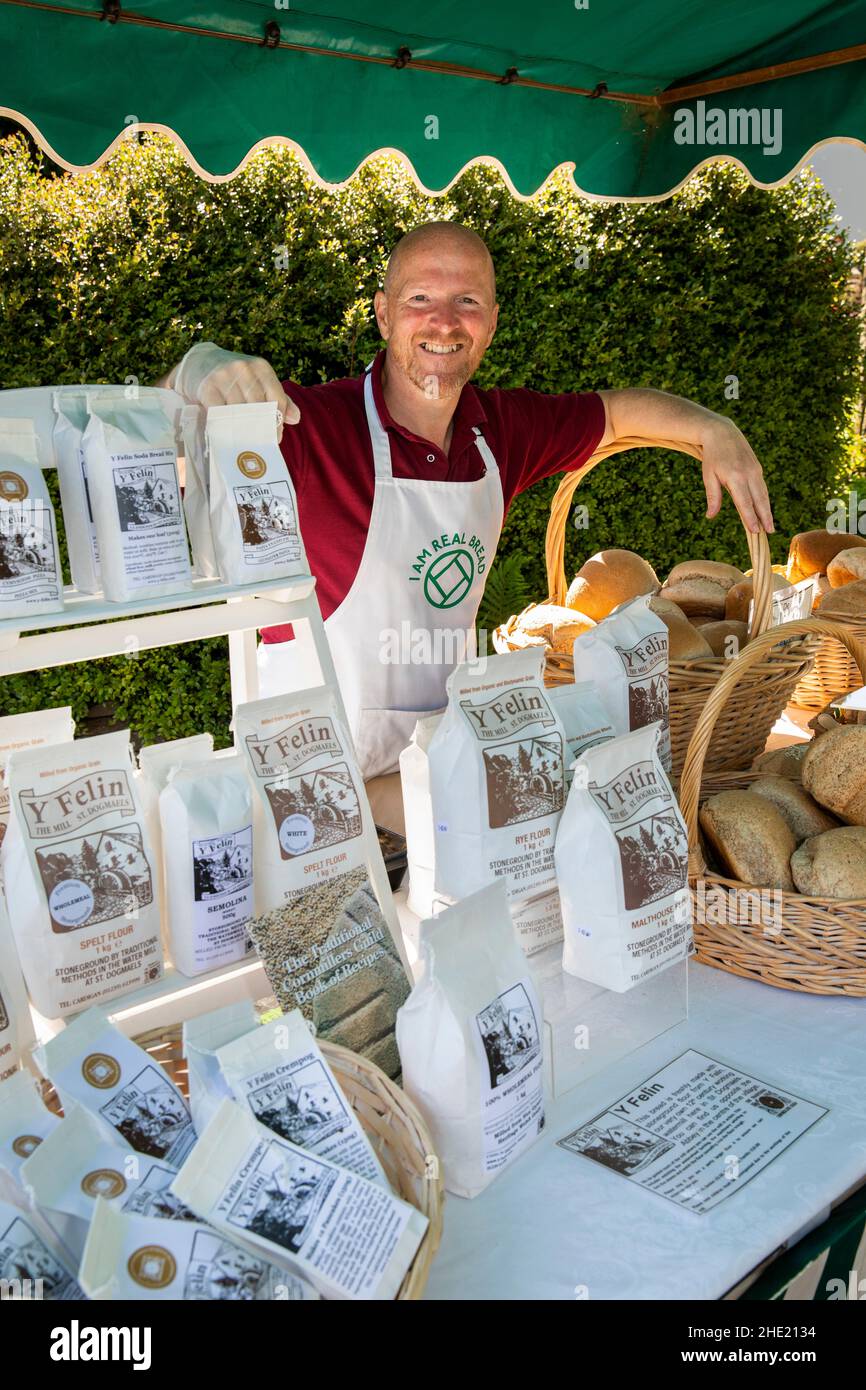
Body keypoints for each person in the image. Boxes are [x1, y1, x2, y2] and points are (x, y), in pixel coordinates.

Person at [160, 221, 774, 831]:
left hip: (429, 789)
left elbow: (612, 416)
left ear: (492, 321)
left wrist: (711, 427)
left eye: (467, 301)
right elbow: (155, 445)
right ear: (382, 314)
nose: (444, 321)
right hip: (307, 814)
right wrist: (197, 371)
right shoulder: (305, 426)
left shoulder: (497, 432)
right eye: (419, 298)